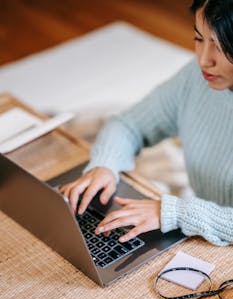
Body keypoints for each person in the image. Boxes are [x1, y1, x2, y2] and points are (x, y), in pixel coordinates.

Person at [60, 0, 233, 246]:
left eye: (221, 45)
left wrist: (174, 212)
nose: (204, 59)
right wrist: (105, 164)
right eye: (199, 39)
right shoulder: (197, 77)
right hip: (202, 230)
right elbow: (129, 124)